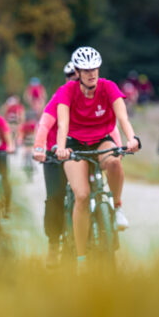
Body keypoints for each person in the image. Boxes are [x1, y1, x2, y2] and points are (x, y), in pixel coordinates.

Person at [54, 46, 140, 270]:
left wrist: (131, 139)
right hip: (75, 145)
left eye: (95, 69)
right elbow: (62, 124)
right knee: (81, 196)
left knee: (114, 160)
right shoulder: (67, 91)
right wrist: (61, 148)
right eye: (86, 70)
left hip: (101, 139)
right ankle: (81, 258)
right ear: (78, 72)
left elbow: (123, 119)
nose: (92, 73)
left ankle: (117, 205)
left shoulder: (108, 87)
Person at [33, 60, 123, 267]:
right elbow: (45, 125)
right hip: (55, 153)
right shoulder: (62, 97)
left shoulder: (93, 95)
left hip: (84, 148)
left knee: (93, 188)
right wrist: (39, 148)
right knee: (55, 196)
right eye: (72, 76)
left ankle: (104, 230)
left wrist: (117, 147)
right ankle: (54, 245)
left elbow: (108, 127)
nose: (76, 80)